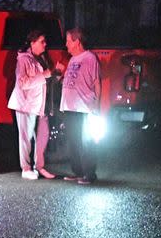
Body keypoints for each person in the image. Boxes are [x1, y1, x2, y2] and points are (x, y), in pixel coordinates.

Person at [7, 30, 64, 180]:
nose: (45, 44)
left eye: (45, 41)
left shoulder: (43, 58)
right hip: (26, 104)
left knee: (42, 136)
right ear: (32, 43)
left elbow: (48, 81)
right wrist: (45, 74)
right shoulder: (23, 59)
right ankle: (25, 168)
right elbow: (22, 83)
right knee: (26, 137)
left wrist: (57, 74)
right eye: (42, 41)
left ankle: (40, 166)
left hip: (42, 104)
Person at [60, 27, 101, 185]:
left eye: (69, 41)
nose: (67, 45)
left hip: (84, 108)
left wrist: (96, 105)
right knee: (73, 140)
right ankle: (77, 171)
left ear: (77, 42)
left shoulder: (90, 58)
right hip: (70, 107)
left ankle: (89, 173)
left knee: (86, 141)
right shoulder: (72, 59)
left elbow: (96, 82)